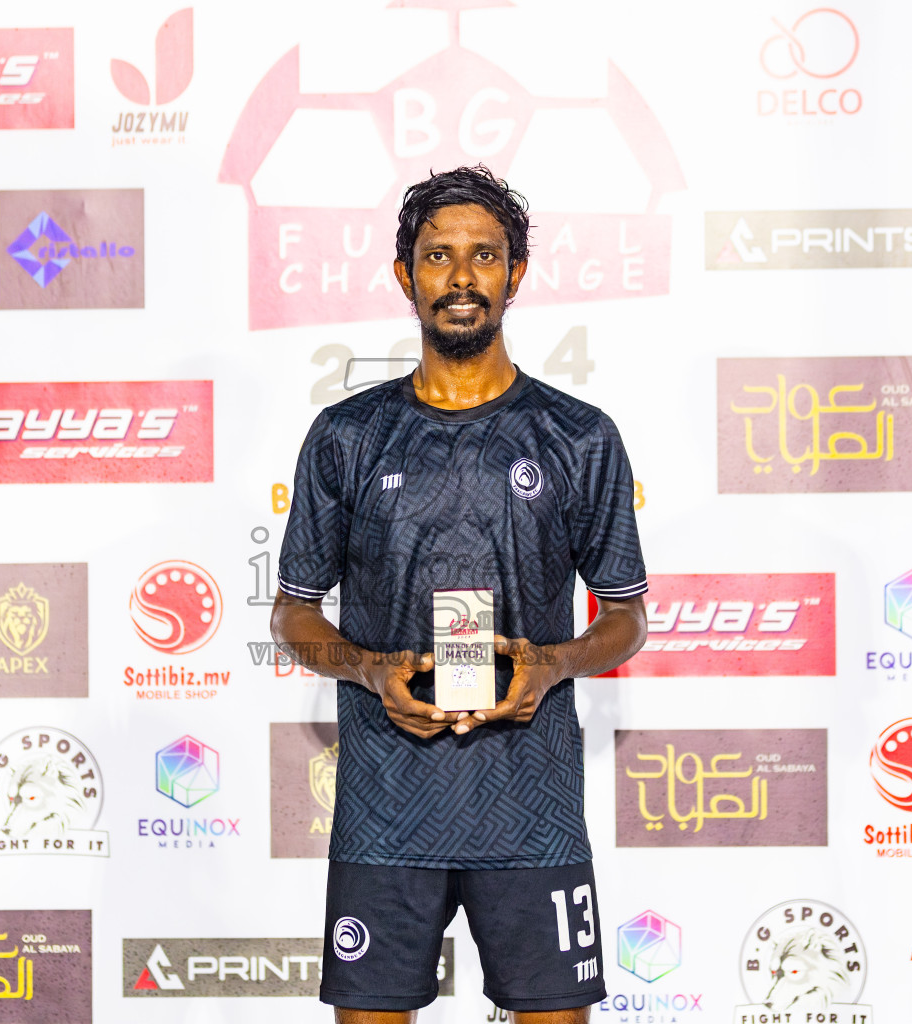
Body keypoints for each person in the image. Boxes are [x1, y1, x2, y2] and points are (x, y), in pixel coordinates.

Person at [270, 165, 649, 1024]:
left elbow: (625, 615)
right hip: (385, 808)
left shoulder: (579, 436)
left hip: (532, 806)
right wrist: (370, 672)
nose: (463, 276)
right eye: (439, 256)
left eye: (485, 255)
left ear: (516, 275)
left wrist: (554, 662)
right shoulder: (348, 436)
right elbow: (293, 609)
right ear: (406, 277)